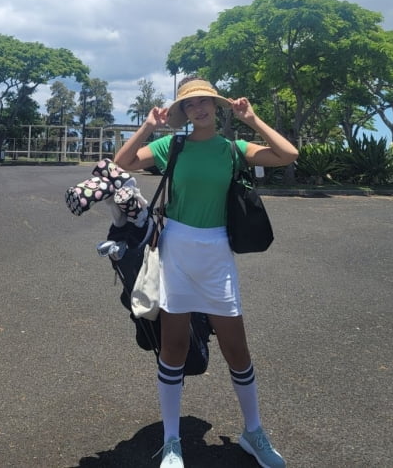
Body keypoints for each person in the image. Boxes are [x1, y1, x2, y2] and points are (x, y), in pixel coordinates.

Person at [114, 78, 299, 468]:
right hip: (176, 250)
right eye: (191, 105)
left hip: (217, 252)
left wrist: (251, 118)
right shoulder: (173, 146)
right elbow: (122, 164)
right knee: (174, 346)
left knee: (236, 349)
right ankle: (171, 441)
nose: (199, 110)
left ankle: (253, 432)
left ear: (216, 107)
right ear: (184, 112)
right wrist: (149, 126)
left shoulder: (232, 149)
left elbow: (287, 154)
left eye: (205, 103)